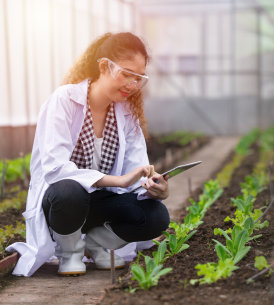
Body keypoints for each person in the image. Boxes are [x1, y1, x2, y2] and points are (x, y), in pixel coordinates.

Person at [7, 32, 170, 277]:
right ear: (104, 66)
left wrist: (155, 188)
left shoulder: (126, 112)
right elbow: (55, 169)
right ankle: (70, 252)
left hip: (99, 205)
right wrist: (119, 180)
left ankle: (96, 243)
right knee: (69, 190)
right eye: (127, 75)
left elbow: (137, 170)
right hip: (63, 206)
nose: (132, 86)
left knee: (156, 216)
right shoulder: (64, 100)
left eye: (139, 78)